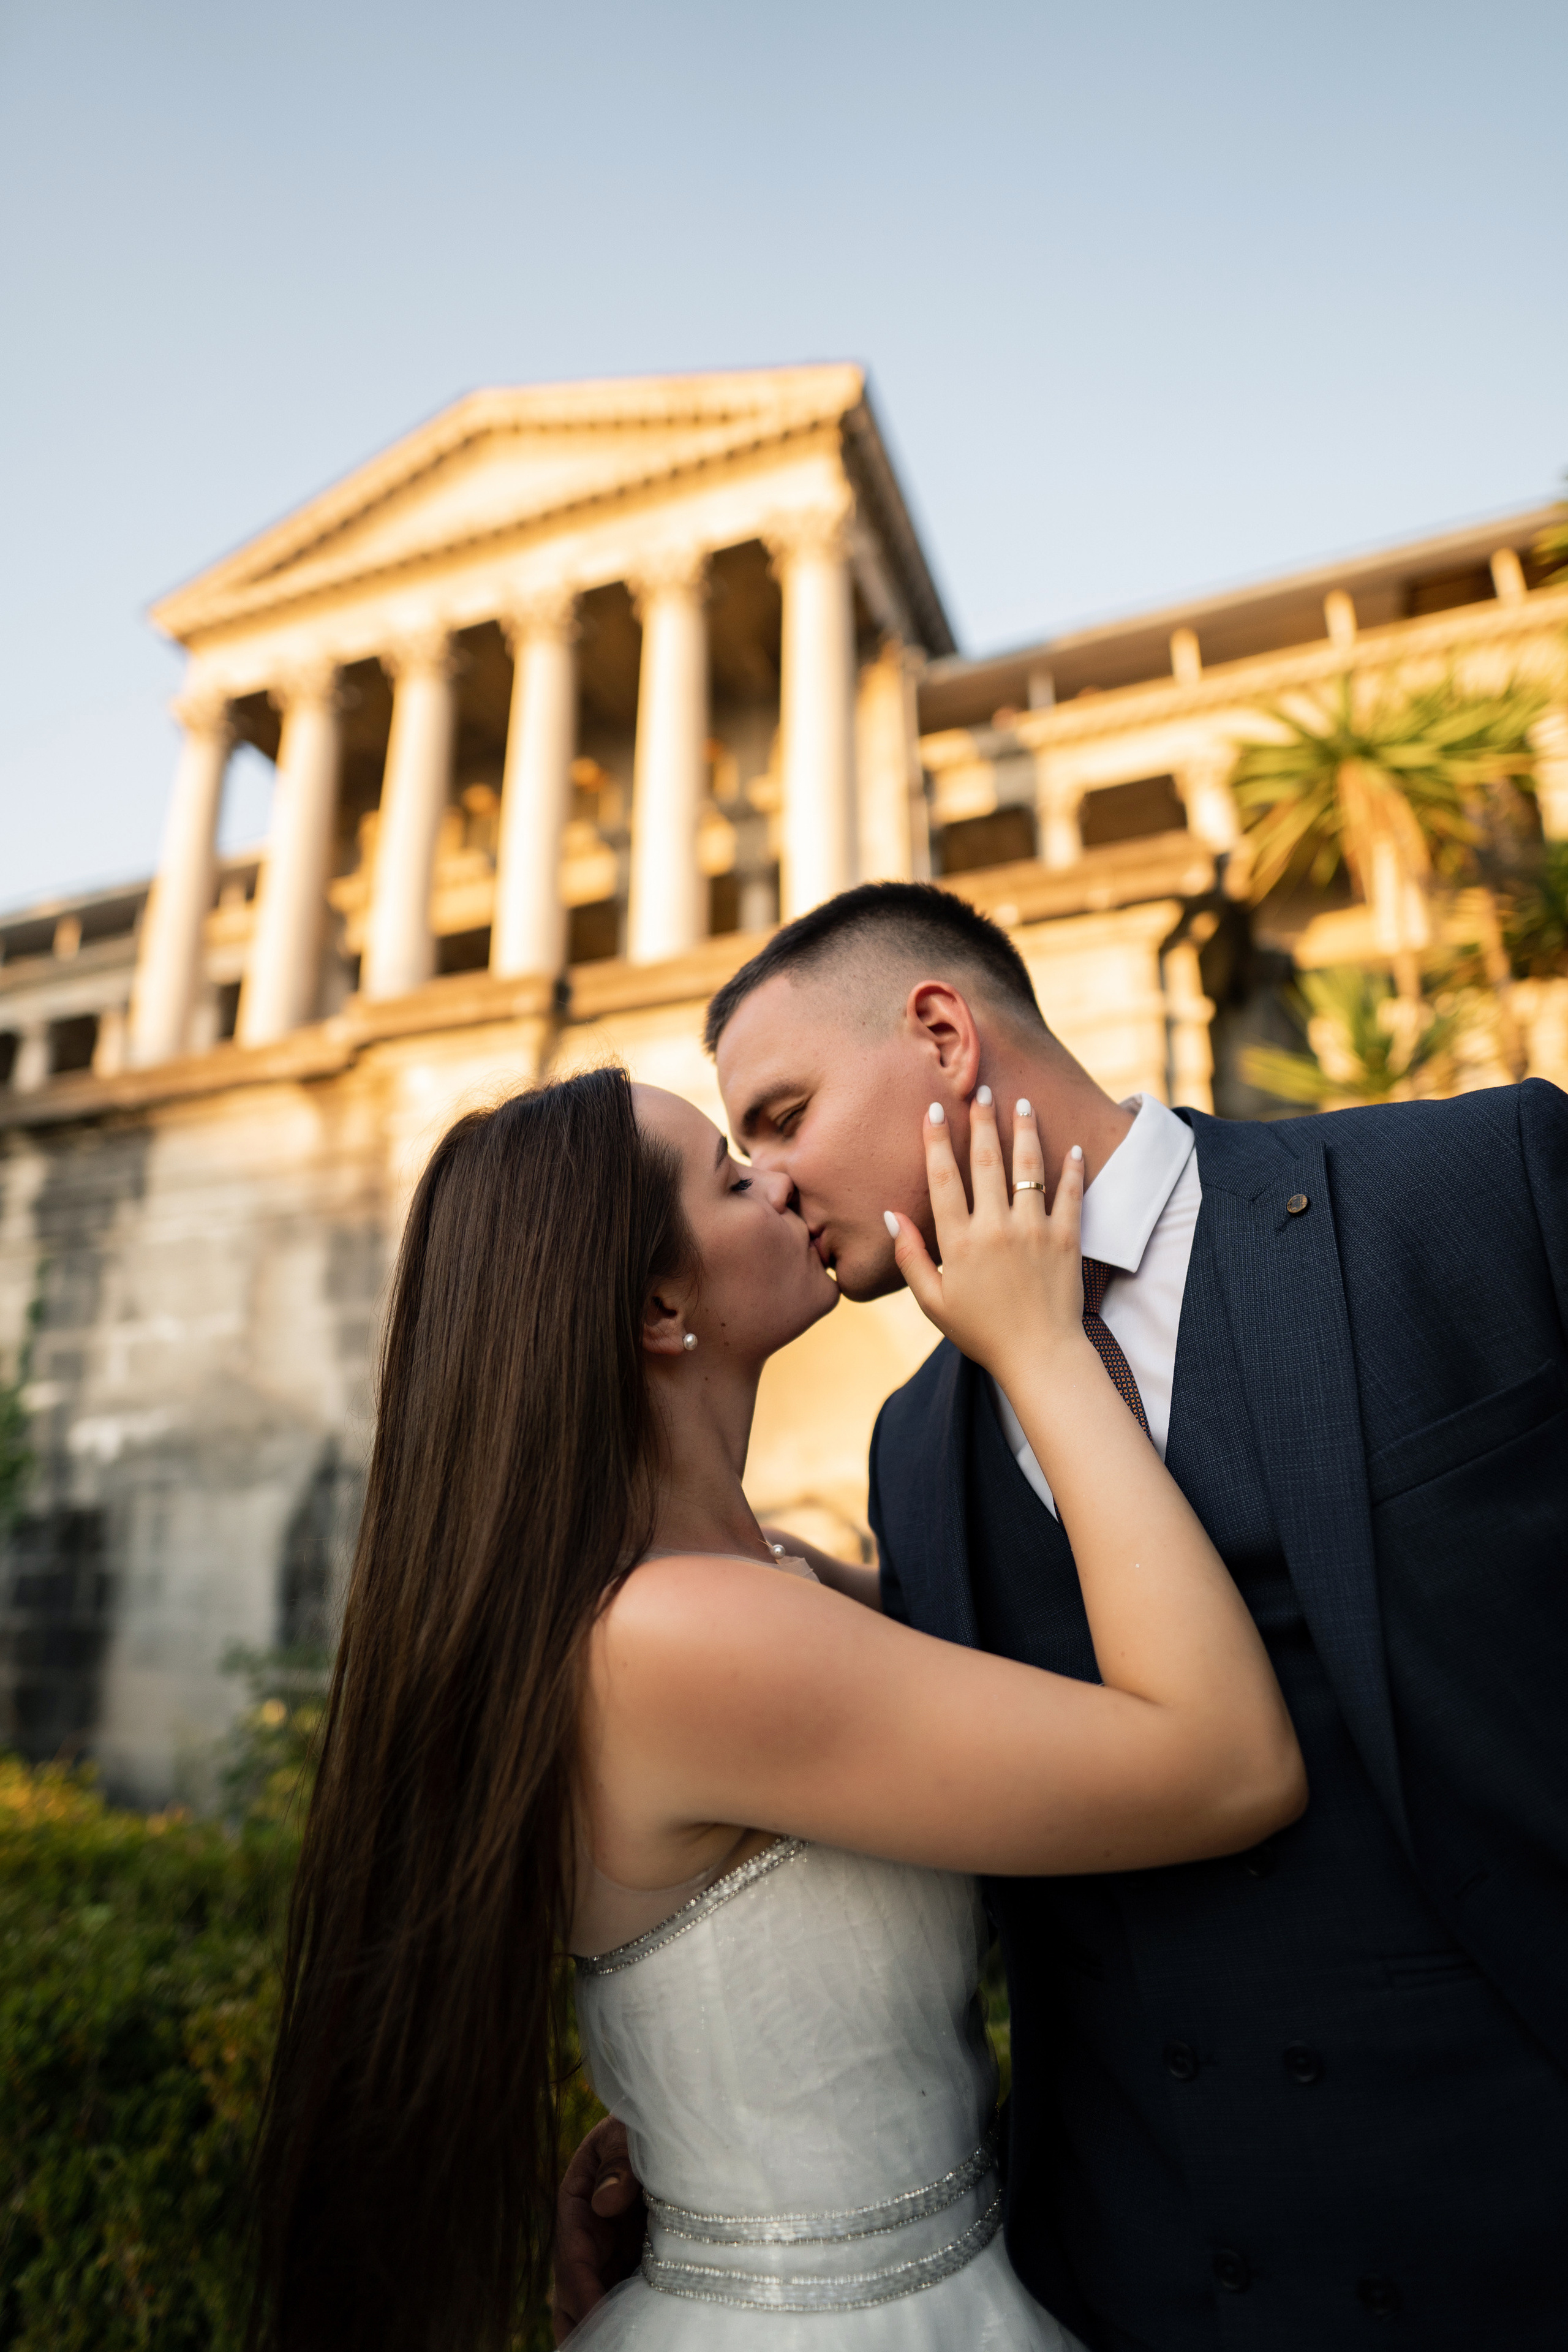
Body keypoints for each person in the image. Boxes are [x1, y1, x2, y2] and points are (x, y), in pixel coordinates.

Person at [630, 877, 1560, 2352]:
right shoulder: (913, 1448)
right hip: (1140, 2285)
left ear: (939, 1031)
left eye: (786, 1114)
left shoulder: (1472, 1184)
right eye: (740, 1154)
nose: (777, 1180)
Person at [246, 1061, 1304, 2352]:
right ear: (655, 1305)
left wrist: (698, 2128)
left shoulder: (749, 1584)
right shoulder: (680, 1636)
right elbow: (1223, 1767)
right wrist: (1039, 1344)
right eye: (730, 1175)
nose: (782, 1181)